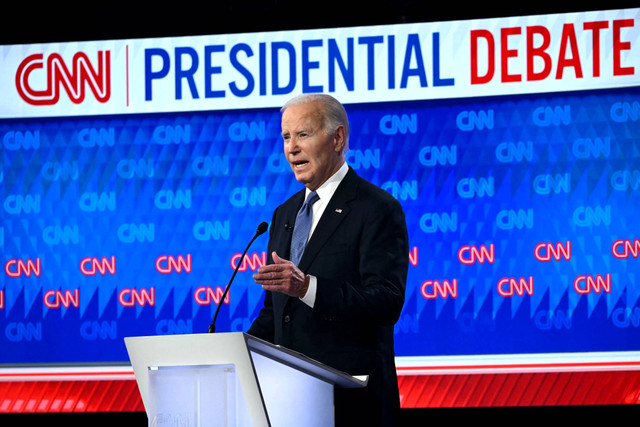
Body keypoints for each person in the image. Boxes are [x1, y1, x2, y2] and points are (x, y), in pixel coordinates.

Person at [248, 93, 409, 426]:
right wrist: (236, 354)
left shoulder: (376, 208)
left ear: (338, 138)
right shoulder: (284, 214)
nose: (291, 148)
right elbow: (276, 312)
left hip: (352, 407)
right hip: (289, 405)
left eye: (303, 134)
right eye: (286, 137)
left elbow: (386, 301)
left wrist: (307, 287)